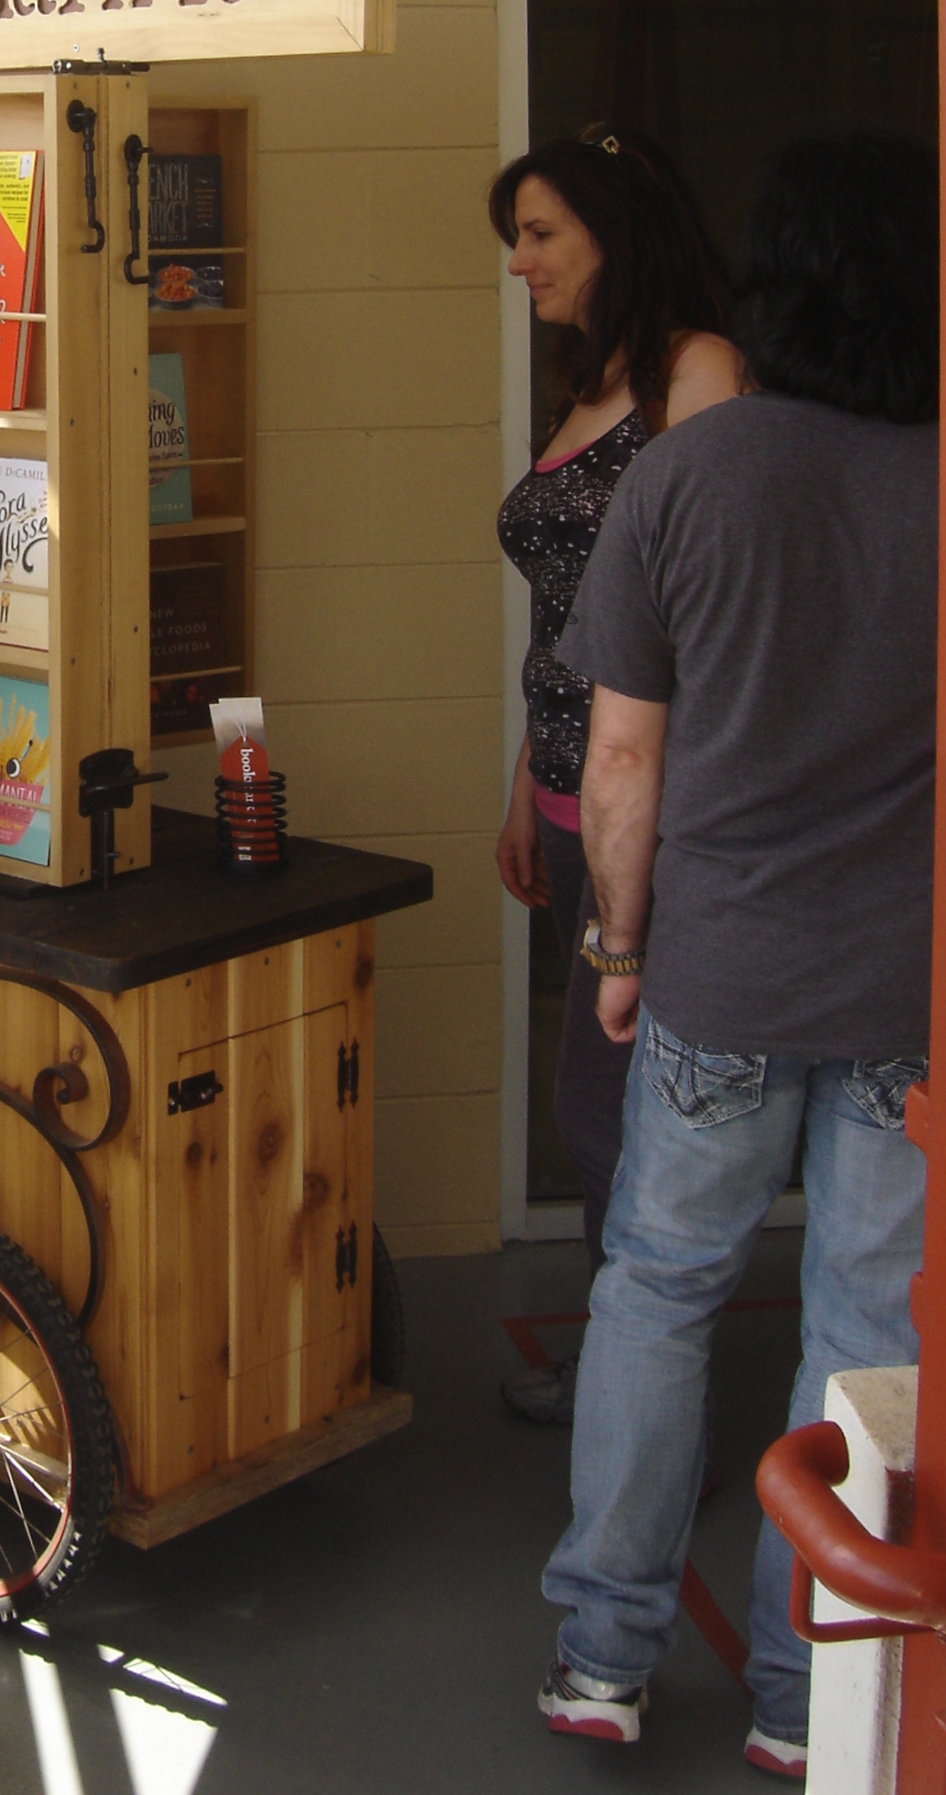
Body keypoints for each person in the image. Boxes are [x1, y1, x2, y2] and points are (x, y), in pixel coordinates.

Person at [536, 131, 938, 1773]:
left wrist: (620, 946)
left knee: (658, 1290)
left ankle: (604, 1655)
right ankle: (807, 1693)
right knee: (868, 1325)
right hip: (905, 990)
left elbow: (622, 763)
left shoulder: (689, 475)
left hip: (720, 967)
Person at [493, 127, 743, 1422]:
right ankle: (620, 1372)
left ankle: (646, 1406)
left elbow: (708, 613)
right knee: (600, 1107)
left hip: (654, 811)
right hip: (567, 800)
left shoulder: (697, 375)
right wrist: (521, 785)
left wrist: (625, 801)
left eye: (540, 233)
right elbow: (565, 621)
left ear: (615, 232)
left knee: (615, 1113)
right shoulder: (584, 384)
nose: (520, 262)